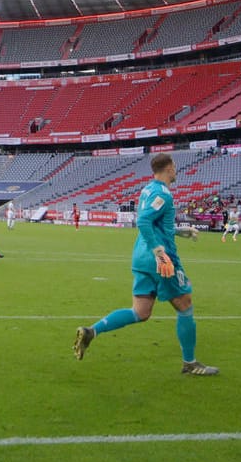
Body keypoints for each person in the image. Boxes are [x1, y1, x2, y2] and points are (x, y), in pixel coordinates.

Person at [73, 153, 218, 376]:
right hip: (160, 260)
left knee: (140, 311)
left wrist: (180, 231)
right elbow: (143, 221)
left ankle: (92, 331)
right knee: (185, 304)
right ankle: (190, 363)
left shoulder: (148, 189)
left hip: (141, 257)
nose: (176, 171)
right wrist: (159, 251)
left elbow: (155, 222)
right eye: (174, 168)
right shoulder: (163, 193)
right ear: (169, 168)